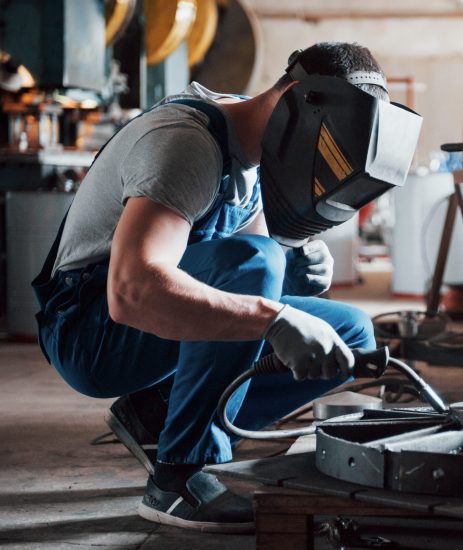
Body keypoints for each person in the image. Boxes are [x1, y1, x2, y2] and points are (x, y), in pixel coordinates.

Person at [31, 42, 420, 533]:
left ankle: (157, 416)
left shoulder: (253, 158)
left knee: (352, 335)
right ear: (298, 100)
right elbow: (131, 290)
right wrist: (273, 316)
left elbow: (247, 258)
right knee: (254, 266)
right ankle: (180, 476)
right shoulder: (187, 144)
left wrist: (295, 263)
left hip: (139, 319)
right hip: (89, 332)